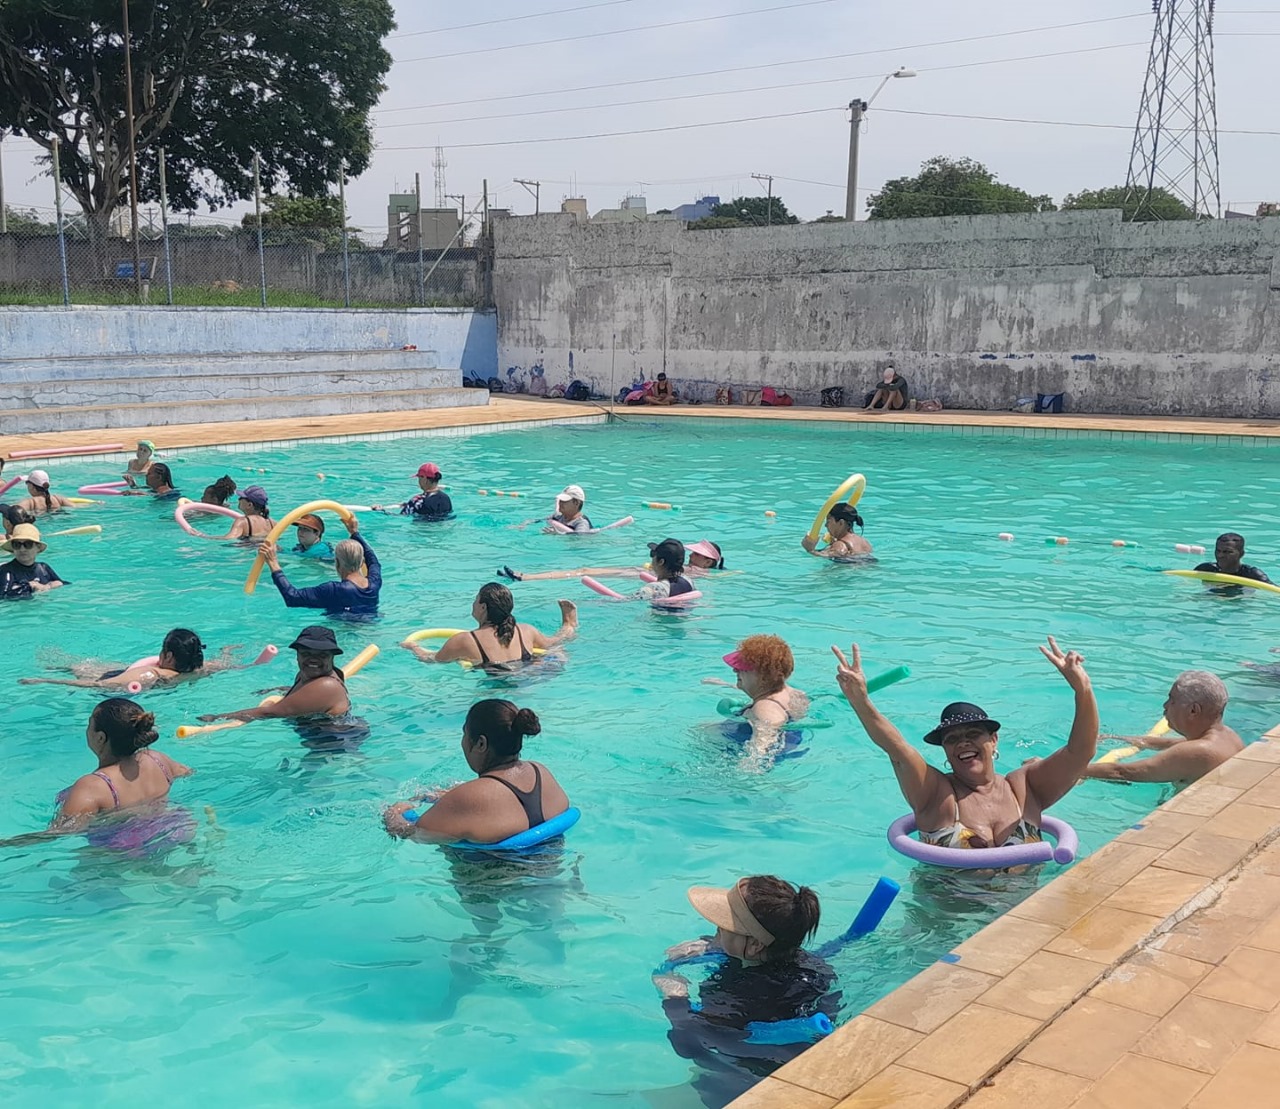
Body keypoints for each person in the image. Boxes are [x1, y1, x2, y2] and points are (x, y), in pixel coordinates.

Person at [833, 636, 1097, 854]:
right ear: (946, 752)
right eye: (951, 739)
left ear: (993, 741)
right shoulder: (936, 794)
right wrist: (861, 700)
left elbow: (1080, 752)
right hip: (947, 913)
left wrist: (1082, 689)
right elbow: (897, 749)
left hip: (1021, 905)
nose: (963, 743)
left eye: (972, 733)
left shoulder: (1025, 788)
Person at [653, 876, 839, 1103]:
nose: (716, 929)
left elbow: (689, 1043)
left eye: (723, 927)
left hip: (748, 1084)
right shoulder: (815, 968)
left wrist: (674, 996)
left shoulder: (737, 994)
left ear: (755, 945)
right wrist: (713, 945)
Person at [383, 699, 570, 843]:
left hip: (493, 883)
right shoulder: (541, 772)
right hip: (554, 867)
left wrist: (394, 813)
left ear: (481, 743)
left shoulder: (467, 797)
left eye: (464, 734)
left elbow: (415, 834)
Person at [1084, 671, 1243, 786]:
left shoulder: (1199, 751)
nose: (1165, 706)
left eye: (1172, 700)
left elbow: (1123, 772)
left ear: (1193, 711)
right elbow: (1168, 743)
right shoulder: (1228, 735)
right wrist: (1116, 738)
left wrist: (1071, 769)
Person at [401, 581, 577, 670]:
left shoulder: (464, 640)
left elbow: (432, 659)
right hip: (530, 676)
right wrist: (567, 628)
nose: (473, 604)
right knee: (557, 649)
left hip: (495, 688)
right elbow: (555, 641)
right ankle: (570, 623)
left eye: (476, 600)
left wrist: (413, 646)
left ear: (483, 607)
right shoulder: (525, 631)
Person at [198, 626, 351, 725]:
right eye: (306, 653)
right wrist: (279, 689)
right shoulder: (307, 675)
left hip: (333, 746)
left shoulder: (326, 686)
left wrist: (217, 717)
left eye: (322, 655)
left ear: (332, 657)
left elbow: (272, 712)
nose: (313, 659)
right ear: (297, 655)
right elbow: (304, 693)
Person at [20, 628, 239, 690]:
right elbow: (227, 664)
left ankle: (55, 667)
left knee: (81, 668)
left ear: (169, 656)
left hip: (122, 680)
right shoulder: (198, 669)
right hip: (131, 676)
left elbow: (97, 685)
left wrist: (45, 681)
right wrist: (227, 651)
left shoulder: (150, 673)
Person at [259, 514, 381, 616]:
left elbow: (292, 597)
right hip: (371, 628)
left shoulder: (333, 589)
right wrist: (355, 533)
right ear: (362, 562)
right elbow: (373, 560)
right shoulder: (374, 583)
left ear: (337, 563)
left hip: (343, 632)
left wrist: (273, 563)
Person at [720, 636, 810, 759]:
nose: (735, 670)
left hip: (740, 749)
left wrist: (748, 769)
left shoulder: (765, 708)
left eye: (742, 668)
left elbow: (762, 747)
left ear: (763, 677)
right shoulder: (795, 694)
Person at [498, 538, 726, 583]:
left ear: (708, 563)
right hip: (641, 572)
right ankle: (527, 577)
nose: (692, 555)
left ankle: (527, 577)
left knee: (584, 570)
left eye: (698, 555)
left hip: (640, 575)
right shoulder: (688, 572)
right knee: (584, 569)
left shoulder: (697, 574)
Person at [1, 523, 67, 598]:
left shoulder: (43, 568)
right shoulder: (6, 571)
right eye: (17, 545)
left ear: (38, 547)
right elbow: (4, 596)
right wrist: (29, 586)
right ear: (13, 548)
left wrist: (50, 586)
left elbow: (65, 585)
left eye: (28, 544)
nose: (22, 549)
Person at [372, 462, 454, 520]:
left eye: (419, 478)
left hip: (421, 533)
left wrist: (381, 511)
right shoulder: (446, 498)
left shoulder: (417, 500)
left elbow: (400, 517)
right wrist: (409, 505)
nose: (418, 481)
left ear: (424, 478)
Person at [800, 502, 872, 559]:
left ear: (841, 523)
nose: (826, 525)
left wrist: (810, 549)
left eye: (828, 521)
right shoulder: (865, 542)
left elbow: (834, 555)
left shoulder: (840, 545)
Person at [1194, 532, 1270, 584]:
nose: (1220, 555)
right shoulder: (1205, 569)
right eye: (1218, 551)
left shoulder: (1252, 574)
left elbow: (1274, 590)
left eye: (1227, 552)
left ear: (1241, 554)